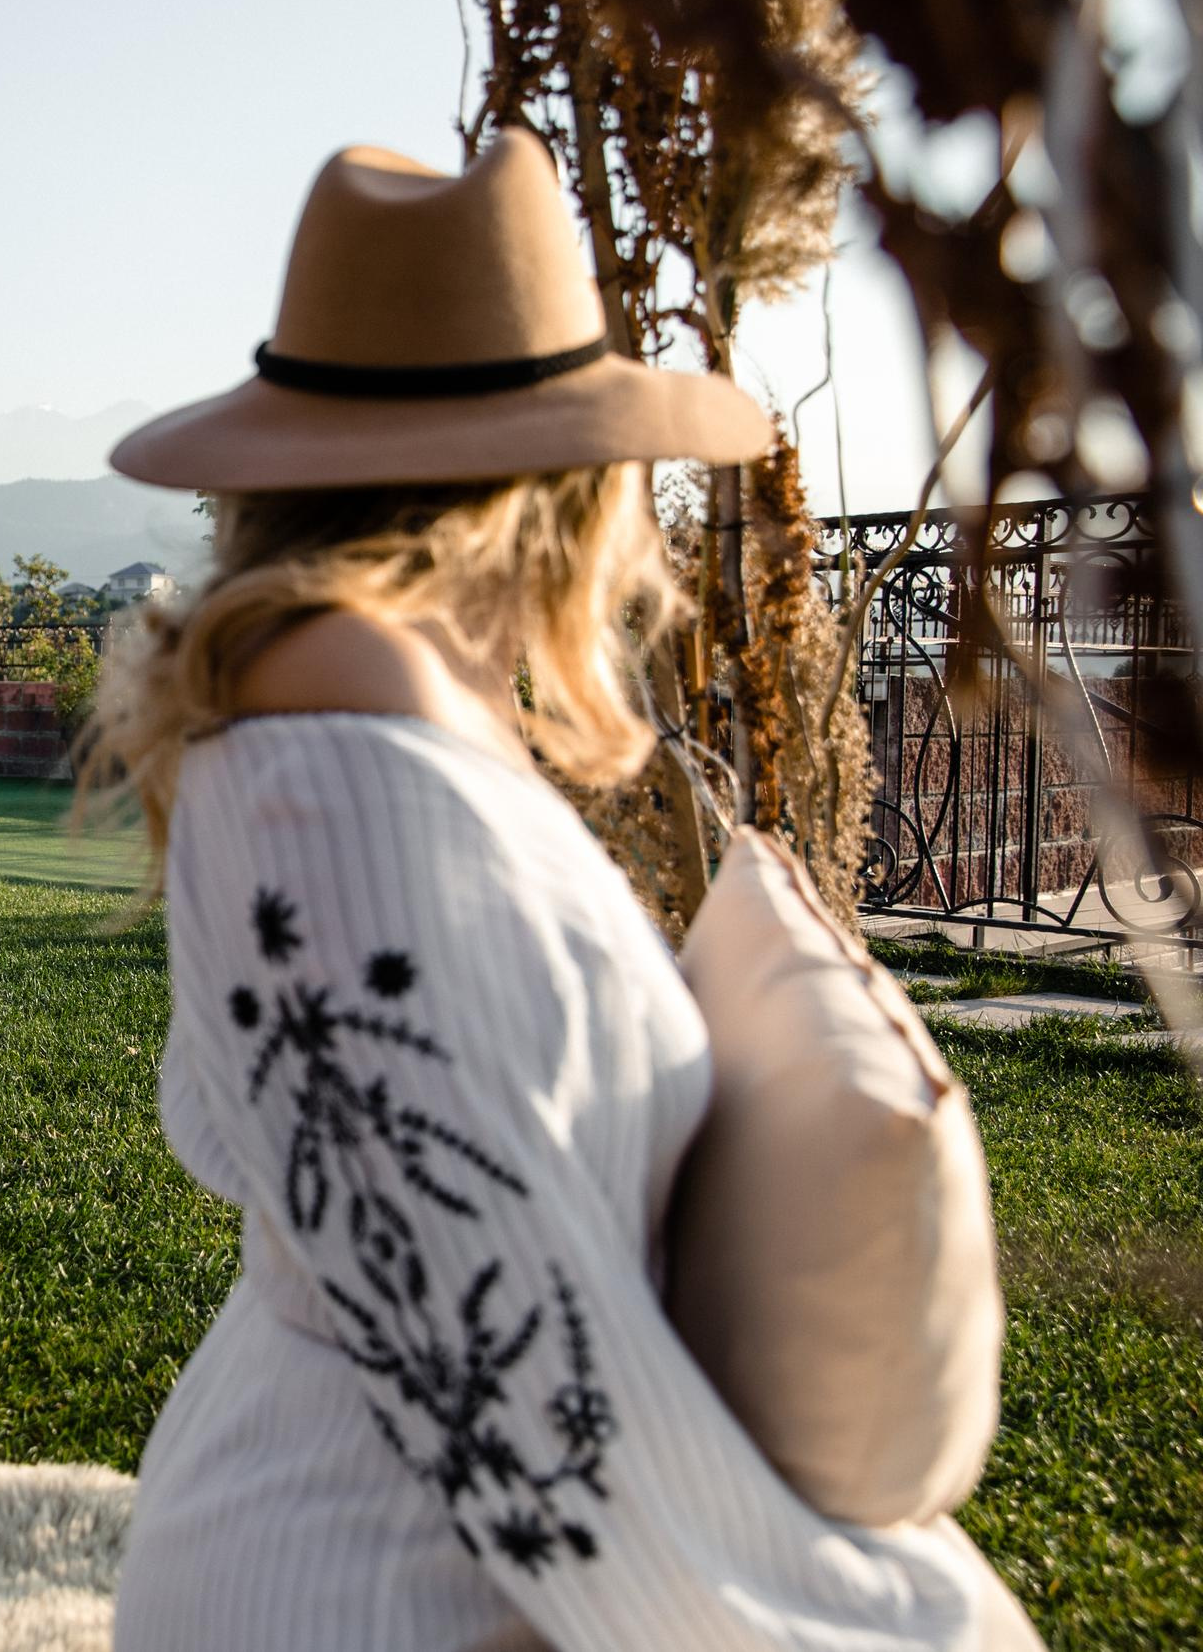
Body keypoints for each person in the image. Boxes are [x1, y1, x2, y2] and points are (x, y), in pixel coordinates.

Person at [92, 132, 1040, 1650]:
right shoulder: (336, 729)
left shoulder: (393, 709)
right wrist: (877, 1617)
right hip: (385, 1585)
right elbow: (501, 1375)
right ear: (570, 469)